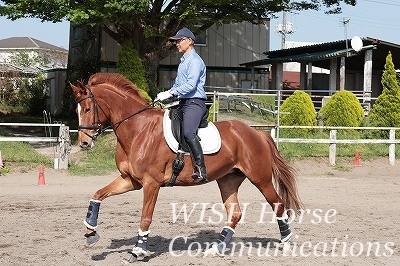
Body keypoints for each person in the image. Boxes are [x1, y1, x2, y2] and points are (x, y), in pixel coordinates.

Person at [155, 27, 208, 183]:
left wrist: (171, 93)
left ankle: (200, 169)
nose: (177, 44)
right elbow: (178, 85)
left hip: (195, 102)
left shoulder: (195, 61)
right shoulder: (184, 61)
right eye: (176, 41)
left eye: (179, 41)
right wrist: (166, 95)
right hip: (183, 102)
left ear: (189, 41)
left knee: (188, 132)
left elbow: (191, 85)